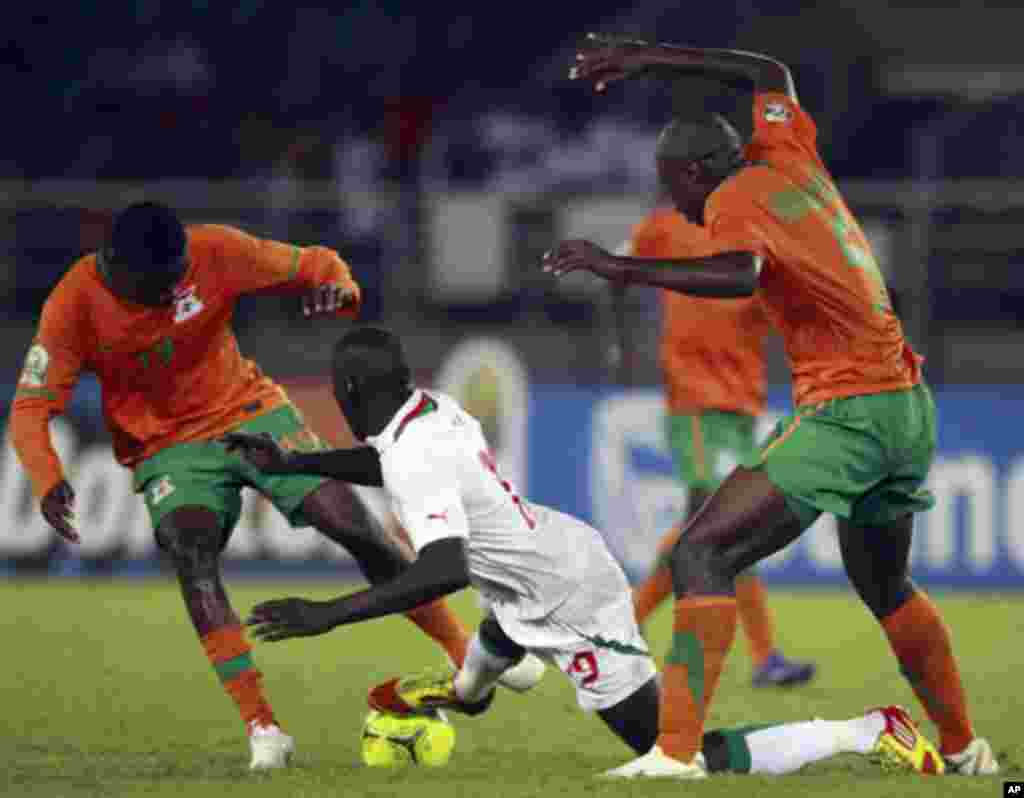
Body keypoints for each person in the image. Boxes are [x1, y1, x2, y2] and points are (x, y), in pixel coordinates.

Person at [542, 35, 998, 778]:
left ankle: (674, 755)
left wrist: (617, 267)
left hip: (848, 410)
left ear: (692, 173)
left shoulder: (730, 199)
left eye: (673, 187)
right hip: (906, 404)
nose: (680, 206)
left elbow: (738, 274)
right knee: (885, 584)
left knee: (701, 551)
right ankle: (964, 749)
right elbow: (768, 71)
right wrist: (649, 59)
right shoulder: (787, 155)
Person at [222, 326, 943, 778]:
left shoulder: (414, 450)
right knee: (494, 641)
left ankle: (866, 730)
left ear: (348, 390)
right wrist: (290, 465)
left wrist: (330, 614)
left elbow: (438, 570)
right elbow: (390, 465)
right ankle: (462, 693)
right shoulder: (430, 411)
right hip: (536, 564)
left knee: (684, 756)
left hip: (569, 601)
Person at [9, 202, 485, 770]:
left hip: (250, 413)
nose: (173, 293)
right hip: (167, 448)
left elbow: (317, 264)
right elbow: (31, 407)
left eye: (178, 278)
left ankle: (467, 657)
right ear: (119, 270)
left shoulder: (214, 250)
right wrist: (46, 475)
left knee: (353, 525)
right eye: (161, 285)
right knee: (192, 555)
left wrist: (340, 289)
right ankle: (264, 727)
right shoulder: (74, 302)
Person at [628, 205, 815, 687]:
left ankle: (623, 625)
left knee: (716, 526)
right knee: (715, 519)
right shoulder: (665, 226)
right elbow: (624, 271)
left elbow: (789, 309)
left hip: (741, 407)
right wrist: (619, 341)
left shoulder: (761, 234)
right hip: (694, 400)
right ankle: (763, 655)